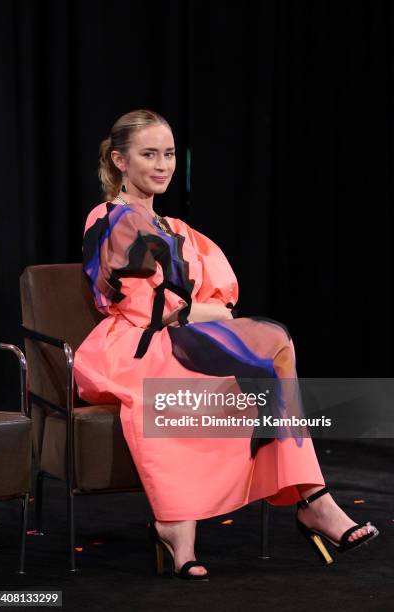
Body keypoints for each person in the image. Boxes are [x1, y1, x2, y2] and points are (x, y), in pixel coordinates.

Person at [74, 109, 378, 580]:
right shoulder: (112, 217)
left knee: (276, 347)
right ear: (119, 161)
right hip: (135, 344)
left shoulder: (178, 228)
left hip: (182, 336)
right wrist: (202, 312)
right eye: (148, 154)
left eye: (169, 154)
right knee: (225, 367)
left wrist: (203, 312)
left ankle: (314, 498)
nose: (162, 165)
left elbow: (213, 302)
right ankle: (182, 524)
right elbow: (160, 309)